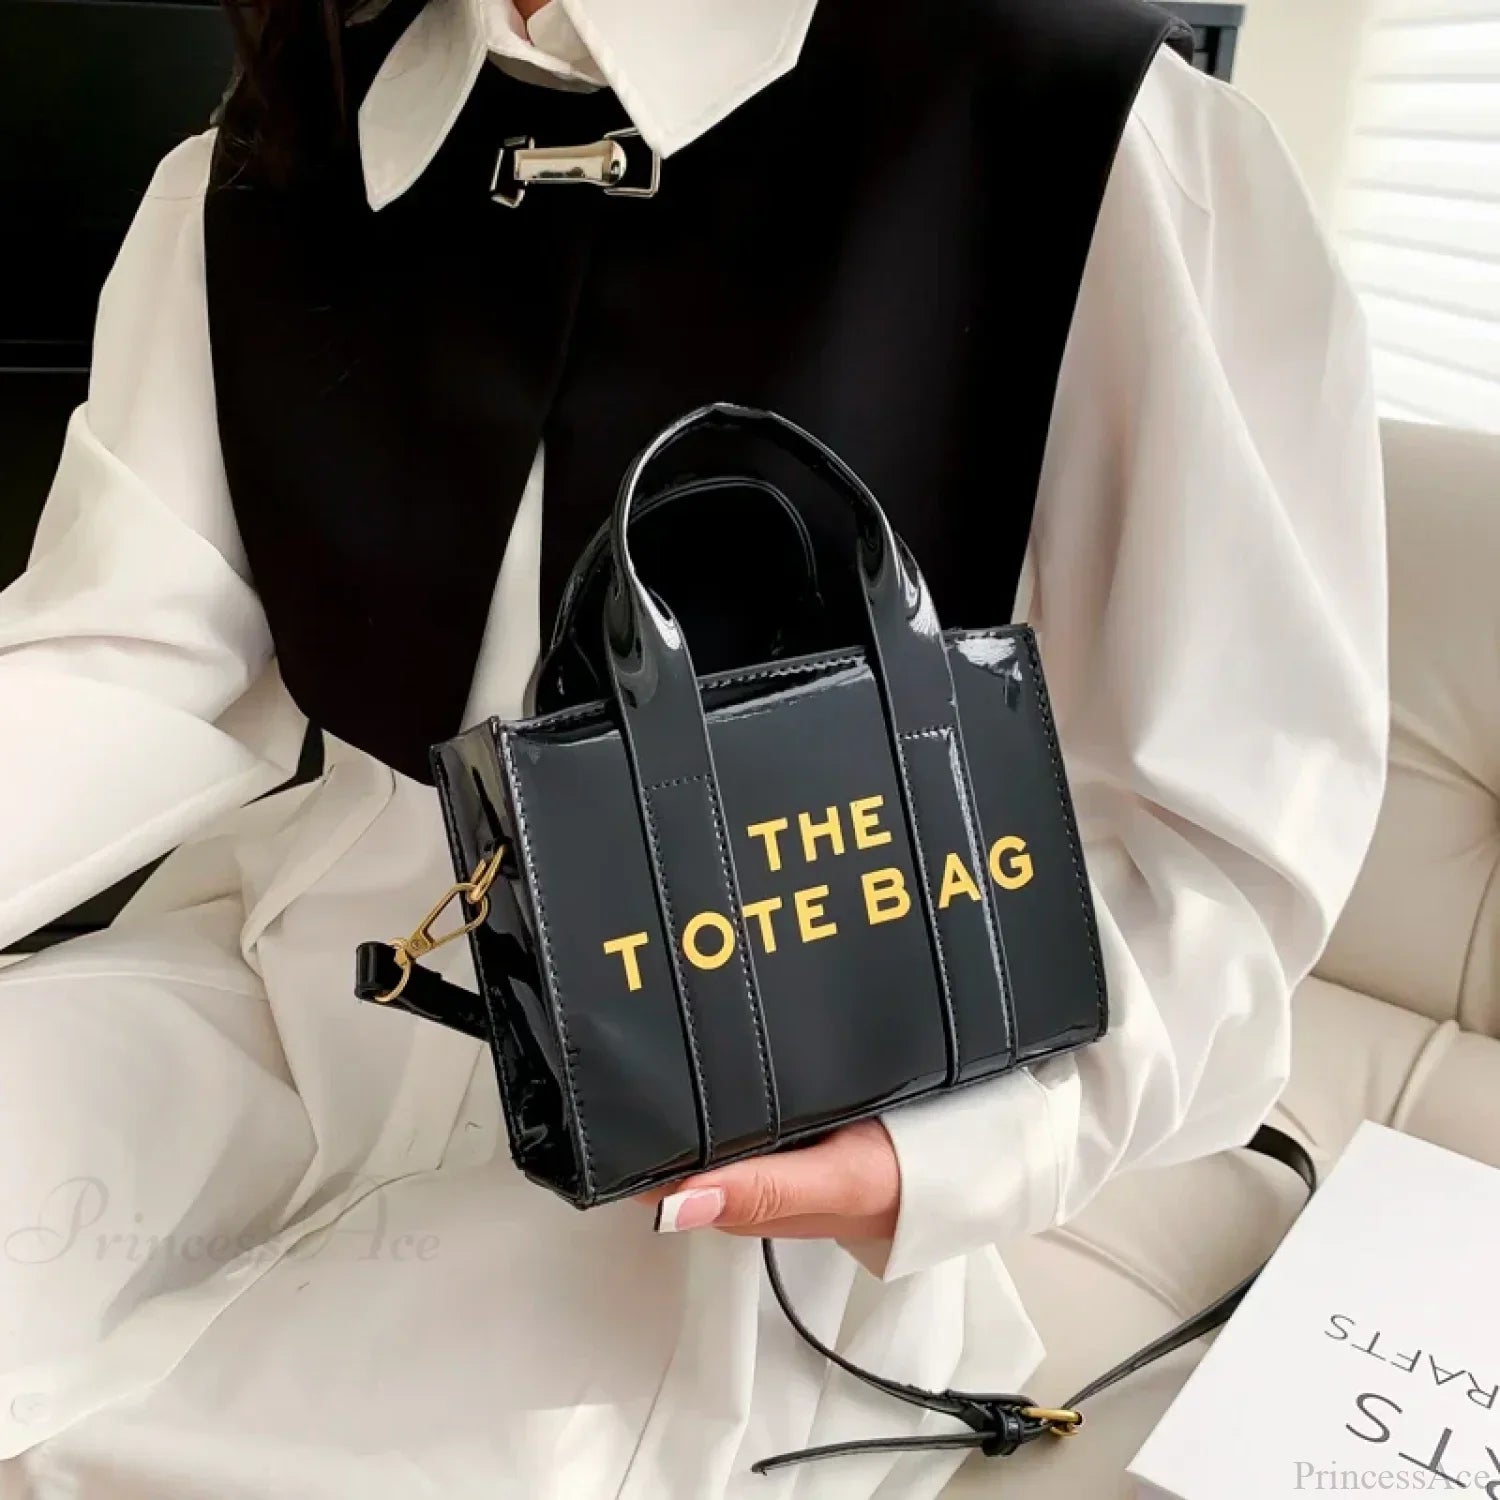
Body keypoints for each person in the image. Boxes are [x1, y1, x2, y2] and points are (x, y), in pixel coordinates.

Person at [0, 0, 1386, 1495]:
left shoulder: (1092, 136)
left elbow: (1222, 833)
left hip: (742, 1120)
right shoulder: (267, 157)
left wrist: (969, 1147)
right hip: (291, 994)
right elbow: (125, 641)